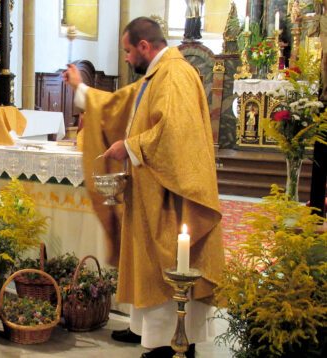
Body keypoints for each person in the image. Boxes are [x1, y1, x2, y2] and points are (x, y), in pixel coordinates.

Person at [63, 17, 224, 358]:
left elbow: (176, 133)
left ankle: (171, 343)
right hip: (154, 192)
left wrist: (130, 147)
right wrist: (81, 88)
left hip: (171, 199)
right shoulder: (157, 75)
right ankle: (156, 337)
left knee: (168, 265)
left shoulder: (174, 75)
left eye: (127, 51)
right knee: (154, 266)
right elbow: (120, 105)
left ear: (145, 47)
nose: (124, 58)